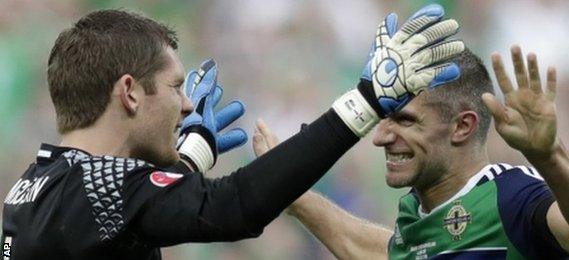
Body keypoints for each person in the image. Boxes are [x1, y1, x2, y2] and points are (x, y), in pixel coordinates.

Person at [1, 5, 465, 260]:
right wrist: (363, 103)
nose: (186, 105)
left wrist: (189, 159)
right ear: (130, 93)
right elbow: (231, 207)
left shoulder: (34, 185)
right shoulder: (102, 191)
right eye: (175, 86)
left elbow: (135, 208)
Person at [252, 13, 569, 260]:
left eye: (405, 120)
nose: (381, 136)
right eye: (383, 119)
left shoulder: (513, 197)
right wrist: (291, 190)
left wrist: (550, 156)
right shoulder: (417, 214)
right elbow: (380, 252)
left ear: (462, 126)